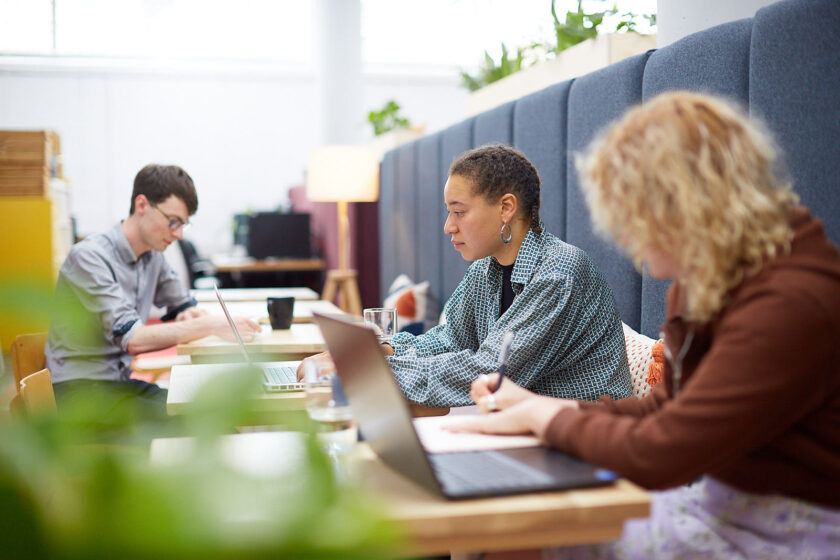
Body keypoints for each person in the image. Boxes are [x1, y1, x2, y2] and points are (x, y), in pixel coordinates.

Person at [451, 92, 840, 557]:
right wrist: (537, 408)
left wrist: (544, 416)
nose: (631, 242)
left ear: (686, 203)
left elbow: (665, 451)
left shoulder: (789, 303)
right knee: (518, 530)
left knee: (526, 535)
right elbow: (668, 409)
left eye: (635, 218)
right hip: (722, 506)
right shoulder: (713, 280)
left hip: (791, 530)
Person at [300, 144, 631, 407]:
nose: (448, 227)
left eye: (459, 212)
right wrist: (382, 351)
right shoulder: (486, 269)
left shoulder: (559, 275)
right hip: (523, 429)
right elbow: (450, 340)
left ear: (506, 208)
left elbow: (489, 372)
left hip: (587, 440)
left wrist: (368, 369)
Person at [46, 164, 260, 426]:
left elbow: (181, 305)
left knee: (210, 416)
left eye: (183, 224)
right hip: (77, 395)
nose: (178, 234)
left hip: (116, 385)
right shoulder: (89, 257)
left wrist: (189, 314)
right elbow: (135, 339)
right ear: (142, 205)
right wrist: (211, 324)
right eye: (173, 221)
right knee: (203, 424)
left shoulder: (151, 255)